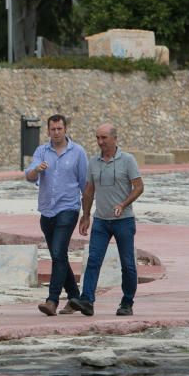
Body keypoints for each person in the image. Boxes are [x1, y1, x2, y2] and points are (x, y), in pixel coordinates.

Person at [68, 123, 144, 316]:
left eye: (104, 138)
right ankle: (87, 300)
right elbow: (89, 190)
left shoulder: (127, 160)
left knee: (127, 264)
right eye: (97, 138)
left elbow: (138, 187)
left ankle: (127, 302)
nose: (100, 142)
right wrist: (85, 215)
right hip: (101, 221)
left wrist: (123, 204)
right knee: (93, 260)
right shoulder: (93, 162)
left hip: (123, 221)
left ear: (114, 138)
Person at [25, 114, 89, 316]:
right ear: (48, 131)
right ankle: (75, 297)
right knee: (58, 255)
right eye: (52, 129)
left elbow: (85, 185)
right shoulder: (41, 151)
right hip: (47, 210)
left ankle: (51, 300)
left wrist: (86, 214)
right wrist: (37, 169)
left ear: (65, 129)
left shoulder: (78, 152)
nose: (56, 132)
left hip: (68, 208)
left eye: (59, 129)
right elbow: (28, 176)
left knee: (58, 253)